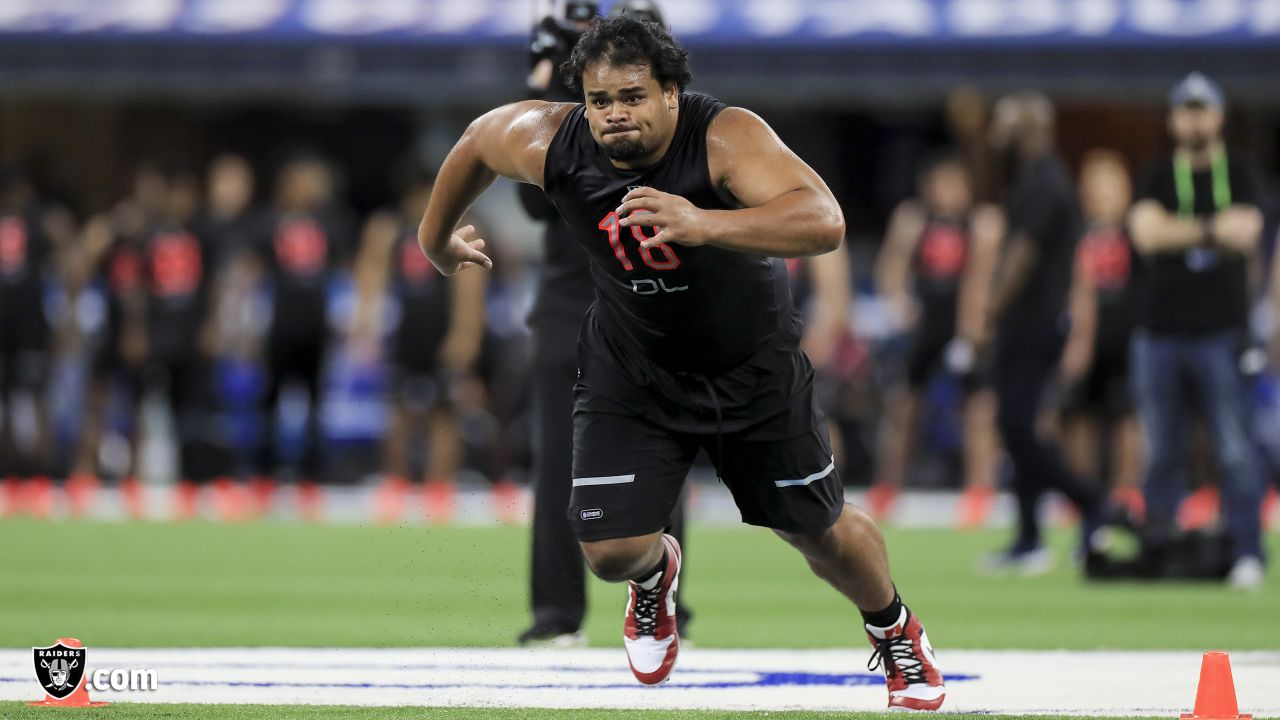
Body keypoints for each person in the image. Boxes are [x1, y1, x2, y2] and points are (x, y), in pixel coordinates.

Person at [417, 16, 945, 709]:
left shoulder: (725, 136)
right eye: (600, 100)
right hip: (633, 365)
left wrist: (705, 223)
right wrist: (435, 242)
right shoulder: (551, 139)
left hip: (747, 369)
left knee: (819, 533)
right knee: (608, 550)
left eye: (632, 97)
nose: (614, 115)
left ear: (672, 93)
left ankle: (894, 626)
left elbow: (824, 220)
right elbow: (475, 144)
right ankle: (654, 577)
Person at [515, 0, 693, 649]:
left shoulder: (658, 113)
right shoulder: (571, 116)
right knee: (559, 464)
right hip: (572, 299)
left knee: (662, 457)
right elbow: (529, 204)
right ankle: (557, 614)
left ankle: (667, 604)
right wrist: (540, 74)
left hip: (649, 299)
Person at [1127, 72, 1267, 589]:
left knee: (1233, 447)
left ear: (1219, 116)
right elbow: (1144, 234)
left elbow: (1248, 232)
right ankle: (1161, 549)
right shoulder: (1157, 172)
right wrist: (1213, 230)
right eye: (1185, 110)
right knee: (1161, 449)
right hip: (1159, 332)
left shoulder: (1244, 171)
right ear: (1173, 118)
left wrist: (1177, 231)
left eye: (1202, 109)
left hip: (1221, 331)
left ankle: (1247, 550)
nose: (1194, 119)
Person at [983, 93, 1106, 574]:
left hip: (1033, 324)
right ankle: (1030, 535)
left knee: (1018, 425)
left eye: (1004, 120)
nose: (998, 130)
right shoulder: (1034, 177)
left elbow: (1022, 254)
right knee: (1016, 429)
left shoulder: (1043, 179)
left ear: (1030, 126)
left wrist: (990, 309)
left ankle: (1091, 500)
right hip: (1028, 323)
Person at [872, 154, 1002, 528]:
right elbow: (891, 267)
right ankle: (888, 485)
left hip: (961, 327)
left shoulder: (981, 223)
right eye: (938, 186)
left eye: (952, 186)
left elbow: (980, 281)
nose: (945, 195)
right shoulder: (913, 219)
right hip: (924, 326)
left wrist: (970, 335)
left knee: (978, 411)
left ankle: (979, 489)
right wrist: (897, 301)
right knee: (904, 408)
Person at [356, 169, 487, 524]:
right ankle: (397, 484)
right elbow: (372, 276)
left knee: (445, 414)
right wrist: (367, 328)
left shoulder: (457, 227)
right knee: (399, 412)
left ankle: (438, 490)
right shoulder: (391, 230)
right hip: (404, 334)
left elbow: (470, 285)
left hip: (440, 333)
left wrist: (465, 335)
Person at [249, 153, 355, 520]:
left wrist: (348, 316)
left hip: (316, 326)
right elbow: (252, 273)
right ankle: (265, 474)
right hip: (280, 325)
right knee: (271, 401)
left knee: (314, 402)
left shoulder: (331, 223)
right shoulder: (268, 224)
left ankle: (312, 474)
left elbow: (343, 272)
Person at [1058, 150, 1144, 519]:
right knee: (1080, 417)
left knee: (1127, 416)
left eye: (1112, 188)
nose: (1103, 196)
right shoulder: (1076, 235)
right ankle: (1083, 494)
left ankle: (1126, 492)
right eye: (1096, 188)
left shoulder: (1136, 235)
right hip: (1083, 339)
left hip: (1125, 338)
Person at [0, 168, 66, 518]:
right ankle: (36, 477)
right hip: (28, 328)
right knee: (30, 404)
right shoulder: (39, 222)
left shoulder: (37, 223)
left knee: (22, 405)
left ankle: (25, 475)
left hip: (26, 328)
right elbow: (64, 259)